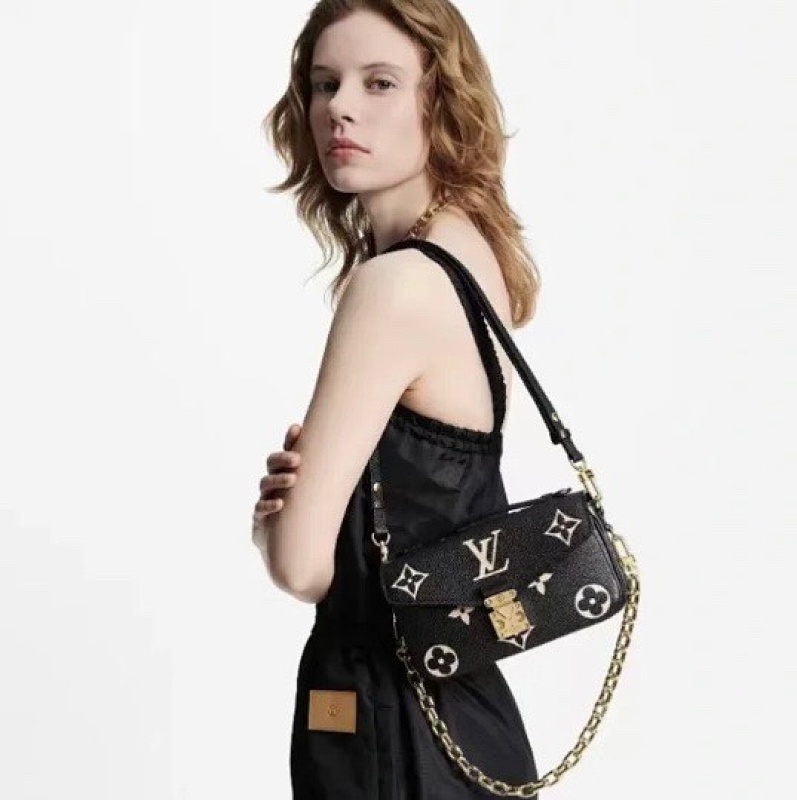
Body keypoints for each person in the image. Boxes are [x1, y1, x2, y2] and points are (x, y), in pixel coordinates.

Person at [252, 2, 543, 796]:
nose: (338, 108)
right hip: (463, 713)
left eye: (379, 82)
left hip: (387, 725)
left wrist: (269, 521)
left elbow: (301, 567)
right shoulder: (470, 253)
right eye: (324, 84)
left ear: (439, 101)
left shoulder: (394, 286)